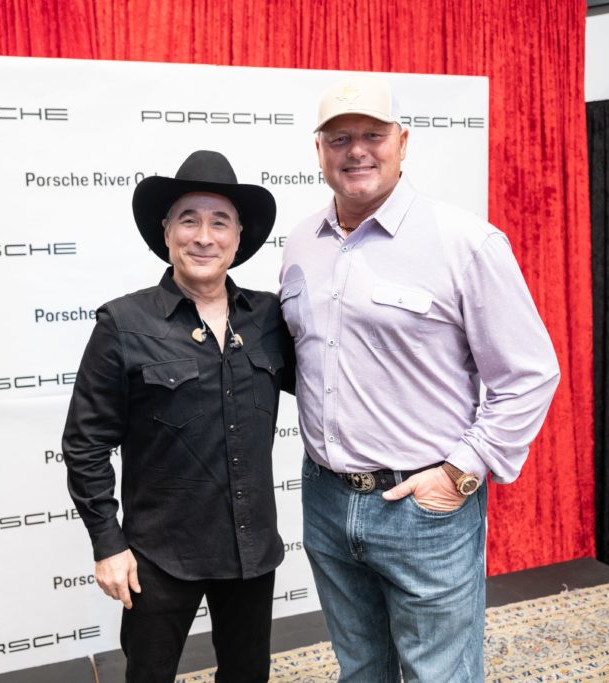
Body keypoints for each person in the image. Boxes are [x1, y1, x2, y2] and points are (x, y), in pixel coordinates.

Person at [280, 76, 560, 682]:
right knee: (360, 671)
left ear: (403, 143)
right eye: (339, 138)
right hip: (326, 500)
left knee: (441, 676)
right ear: (319, 150)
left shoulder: (466, 242)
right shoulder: (300, 243)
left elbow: (530, 373)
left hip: (424, 509)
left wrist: (461, 472)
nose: (356, 150)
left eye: (373, 136)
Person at [62, 150, 293, 683]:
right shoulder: (123, 322)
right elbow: (86, 442)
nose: (204, 236)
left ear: (239, 237)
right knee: (149, 675)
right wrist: (108, 543)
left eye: (220, 222)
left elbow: (334, 387)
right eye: (189, 219)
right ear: (167, 231)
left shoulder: (269, 318)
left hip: (250, 549)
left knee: (247, 675)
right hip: (159, 555)